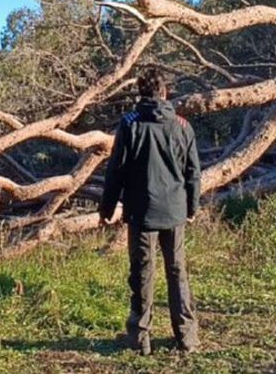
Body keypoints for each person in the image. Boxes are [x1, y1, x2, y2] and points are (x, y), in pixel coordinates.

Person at [99, 67, 202, 355]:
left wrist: (107, 209)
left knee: (143, 274)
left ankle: (139, 339)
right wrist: (192, 206)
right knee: (177, 272)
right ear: (165, 92)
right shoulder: (182, 126)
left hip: (141, 213)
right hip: (175, 212)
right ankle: (186, 338)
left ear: (140, 94)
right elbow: (193, 173)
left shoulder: (130, 124)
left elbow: (115, 172)